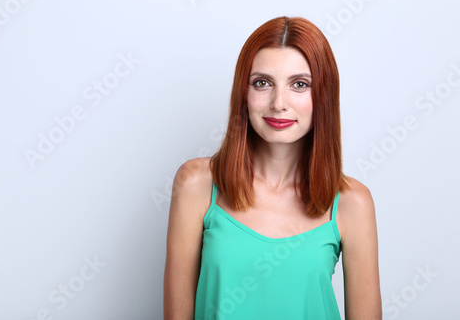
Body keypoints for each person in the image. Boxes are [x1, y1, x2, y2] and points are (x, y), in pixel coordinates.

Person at [163, 16, 381, 320]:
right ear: (244, 93)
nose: (279, 103)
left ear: (324, 97)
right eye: (262, 83)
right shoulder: (195, 185)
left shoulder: (352, 203)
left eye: (300, 84)